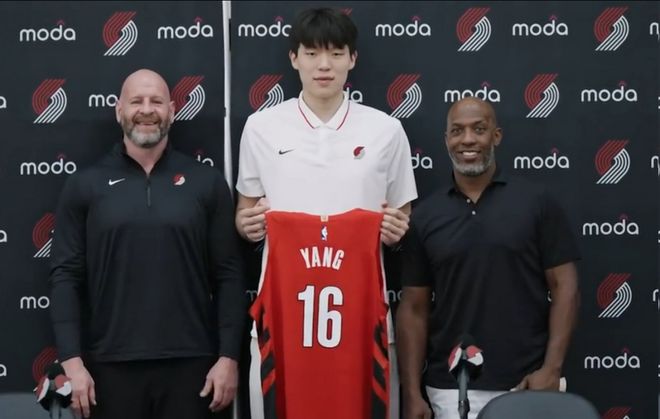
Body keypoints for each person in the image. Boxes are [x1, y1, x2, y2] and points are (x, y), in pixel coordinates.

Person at [235, 7, 417, 419]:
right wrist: (246, 225)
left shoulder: (386, 130)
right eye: (313, 53)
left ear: (352, 59)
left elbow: (401, 217)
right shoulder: (261, 128)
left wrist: (396, 230)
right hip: (283, 314)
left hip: (360, 314)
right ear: (294, 58)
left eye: (336, 54)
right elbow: (246, 214)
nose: (324, 65)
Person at [49, 69, 245, 419]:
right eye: (136, 101)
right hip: (108, 368)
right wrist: (72, 362)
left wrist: (228, 357)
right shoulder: (85, 185)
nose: (146, 109)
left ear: (172, 110)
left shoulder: (206, 182)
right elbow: (65, 276)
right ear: (118, 110)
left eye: (156, 101)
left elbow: (229, 275)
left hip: (193, 368)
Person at [396, 97, 580, 419]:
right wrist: (411, 393)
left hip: (527, 384)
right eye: (457, 131)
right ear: (446, 140)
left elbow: (566, 287)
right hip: (451, 388)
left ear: (496, 136)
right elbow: (413, 309)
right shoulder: (424, 217)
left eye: (478, 129)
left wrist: (551, 368)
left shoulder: (537, 203)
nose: (468, 139)